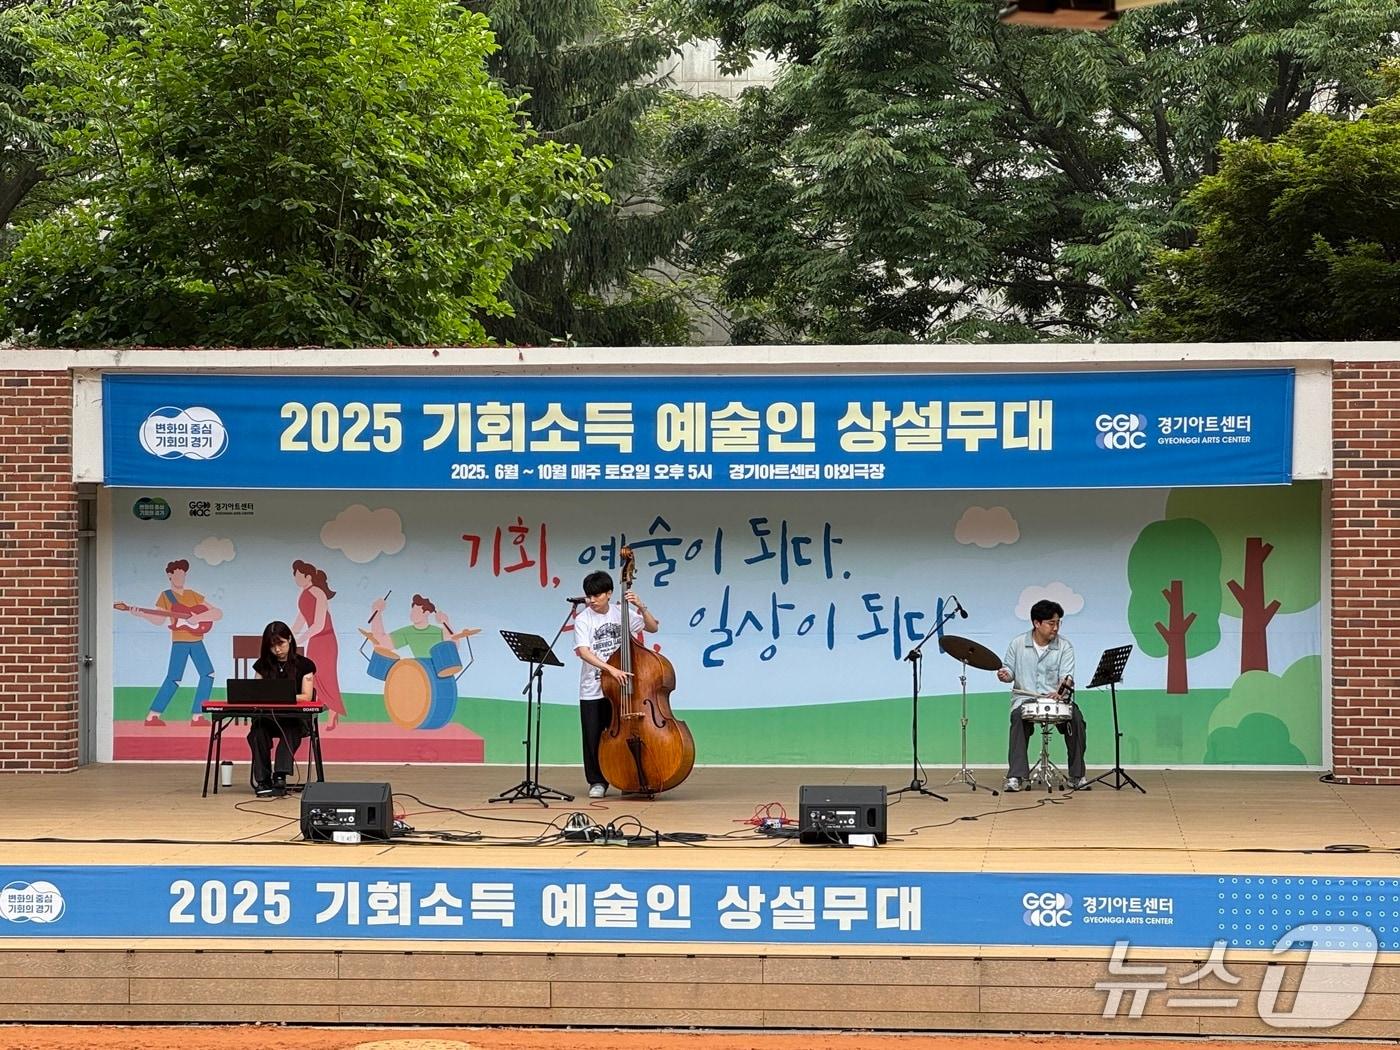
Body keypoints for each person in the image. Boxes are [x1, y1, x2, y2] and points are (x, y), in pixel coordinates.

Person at [571, 569, 659, 799]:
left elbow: (652, 627)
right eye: (588, 596)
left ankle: (627, 777)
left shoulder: (622, 613)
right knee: (593, 736)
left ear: (609, 593)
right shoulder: (583, 619)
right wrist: (611, 669)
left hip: (623, 689)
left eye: (596, 596)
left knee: (626, 734)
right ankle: (597, 781)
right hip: (594, 686)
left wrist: (641, 606)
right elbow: (583, 651)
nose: (591, 601)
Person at [119, 559, 223, 727]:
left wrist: (198, 617)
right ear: (169, 575)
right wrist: (141, 614)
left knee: (208, 674)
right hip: (180, 642)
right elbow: (159, 620)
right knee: (174, 678)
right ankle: (153, 715)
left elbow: (217, 613)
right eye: (178, 574)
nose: (181, 578)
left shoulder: (193, 595)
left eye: (184, 574)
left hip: (197, 641)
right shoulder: (166, 596)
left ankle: (198, 715)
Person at [997, 599, 1087, 792]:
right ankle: (1016, 776)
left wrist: (1060, 691)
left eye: (1058, 623)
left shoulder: (1065, 646)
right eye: (1051, 623)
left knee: (1076, 719)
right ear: (1036, 623)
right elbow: (1009, 671)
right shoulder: (1018, 644)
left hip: (1056, 700)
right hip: (1026, 698)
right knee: (1017, 718)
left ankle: (1077, 775)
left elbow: (1067, 678)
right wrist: (1005, 675)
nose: (1056, 628)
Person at [249, 620, 316, 798]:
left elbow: (306, 696)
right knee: (257, 732)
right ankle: (263, 780)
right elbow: (256, 692)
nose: (277, 649)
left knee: (290, 729)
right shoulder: (262, 665)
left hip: (294, 718)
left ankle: (280, 775)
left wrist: (280, 696)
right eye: (272, 646)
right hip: (269, 718)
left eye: (281, 644)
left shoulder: (305, 665)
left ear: (290, 640)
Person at [291, 560, 345, 730]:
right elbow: (300, 621)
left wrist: (300, 639)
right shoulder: (303, 594)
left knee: (327, 676)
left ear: (308, 576)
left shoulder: (318, 594)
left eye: (298, 575)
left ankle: (333, 713)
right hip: (314, 640)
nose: (296, 579)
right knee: (312, 676)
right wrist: (287, 636)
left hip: (325, 639)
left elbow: (319, 624)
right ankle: (314, 711)